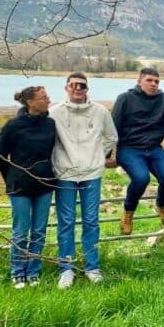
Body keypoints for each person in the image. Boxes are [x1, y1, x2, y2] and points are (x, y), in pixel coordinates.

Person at [51, 71, 117, 288]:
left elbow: (111, 137)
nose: (77, 89)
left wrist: (99, 156)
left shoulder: (100, 112)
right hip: (65, 174)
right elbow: (49, 140)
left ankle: (92, 266)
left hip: (91, 173)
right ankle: (66, 268)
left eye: (82, 86)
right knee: (66, 222)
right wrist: (56, 161)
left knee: (91, 220)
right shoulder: (54, 113)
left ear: (87, 89)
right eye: (73, 86)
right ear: (66, 88)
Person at [0, 85, 56, 289]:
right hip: (20, 186)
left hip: (45, 184)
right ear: (30, 102)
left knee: (39, 231)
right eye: (44, 97)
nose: (48, 100)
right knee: (20, 231)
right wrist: (12, 177)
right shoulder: (13, 125)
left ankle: (34, 271)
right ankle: (17, 272)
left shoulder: (50, 124)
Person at [111, 66, 164, 234]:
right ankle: (128, 212)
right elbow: (113, 128)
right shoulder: (125, 98)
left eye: (156, 81)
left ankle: (162, 206)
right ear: (139, 81)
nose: (153, 84)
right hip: (129, 148)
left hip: (154, 148)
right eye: (149, 80)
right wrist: (109, 155)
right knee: (141, 179)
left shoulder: (162, 99)